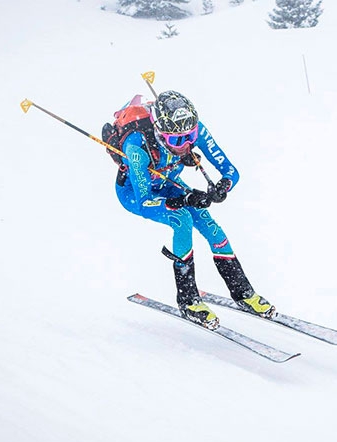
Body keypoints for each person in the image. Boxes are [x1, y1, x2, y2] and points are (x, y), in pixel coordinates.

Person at [112, 90, 275, 329]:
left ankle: (243, 293)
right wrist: (185, 199)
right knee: (182, 219)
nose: (186, 145)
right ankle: (188, 300)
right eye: (177, 140)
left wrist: (223, 186)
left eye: (191, 137)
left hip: (169, 183)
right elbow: (146, 201)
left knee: (213, 229)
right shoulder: (136, 146)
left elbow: (231, 171)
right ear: (159, 132)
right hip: (136, 194)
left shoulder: (193, 129)